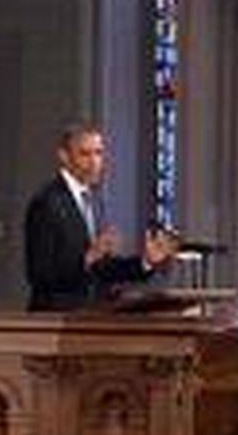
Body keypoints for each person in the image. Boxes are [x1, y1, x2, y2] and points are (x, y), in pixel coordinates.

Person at [24, 122, 178, 311]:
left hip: (92, 318)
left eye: (99, 153)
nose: (94, 162)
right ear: (64, 156)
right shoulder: (47, 203)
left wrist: (145, 261)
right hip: (57, 322)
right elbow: (40, 275)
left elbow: (102, 269)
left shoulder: (94, 201)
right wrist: (88, 258)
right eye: (85, 154)